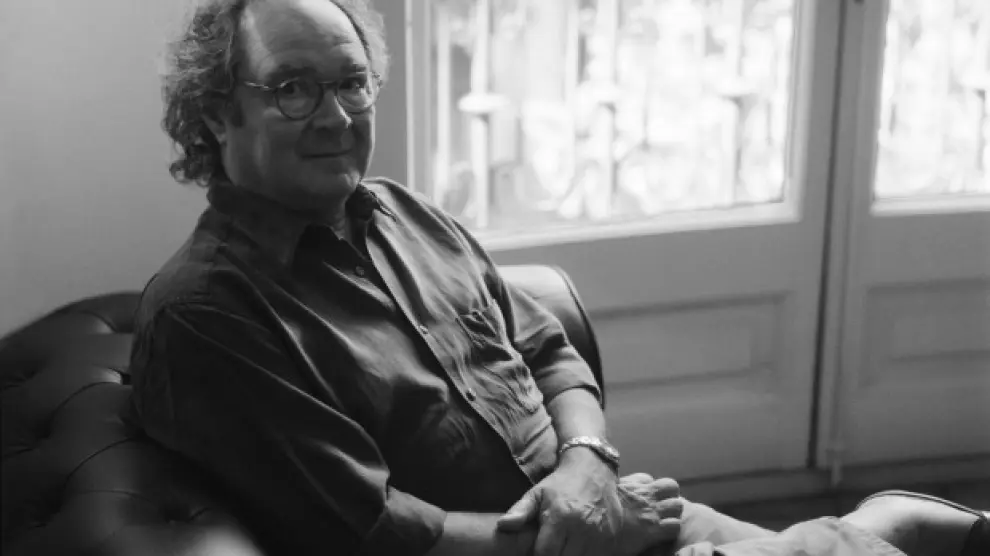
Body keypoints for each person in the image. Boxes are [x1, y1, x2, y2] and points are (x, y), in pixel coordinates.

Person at [129, 0, 989, 555]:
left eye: (353, 82)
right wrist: (579, 532)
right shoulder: (208, 314)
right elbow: (376, 528)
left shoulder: (403, 213)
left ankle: (880, 528)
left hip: (604, 519)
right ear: (216, 111)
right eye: (293, 88)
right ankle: (887, 527)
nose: (338, 115)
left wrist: (586, 466)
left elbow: (546, 348)